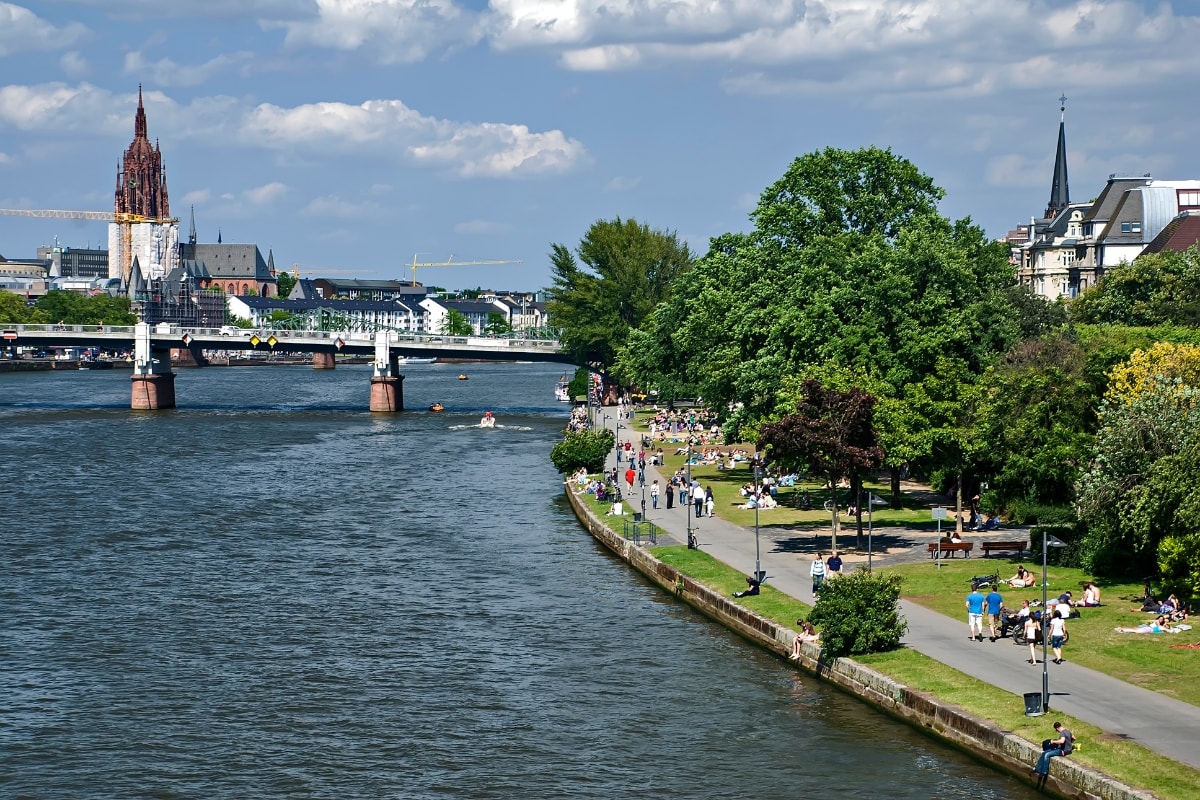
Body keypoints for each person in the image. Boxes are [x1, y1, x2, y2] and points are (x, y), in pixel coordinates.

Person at [1033, 721, 1074, 786]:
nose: (1057, 731)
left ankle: (1044, 771)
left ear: (1057, 728)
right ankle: (1038, 768)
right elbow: (1074, 738)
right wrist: (1069, 744)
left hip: (1062, 751)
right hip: (1068, 750)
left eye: (1056, 730)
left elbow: (1062, 741)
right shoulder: (1068, 731)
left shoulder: (1062, 733)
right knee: (1045, 752)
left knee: (1047, 755)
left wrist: (1053, 741)